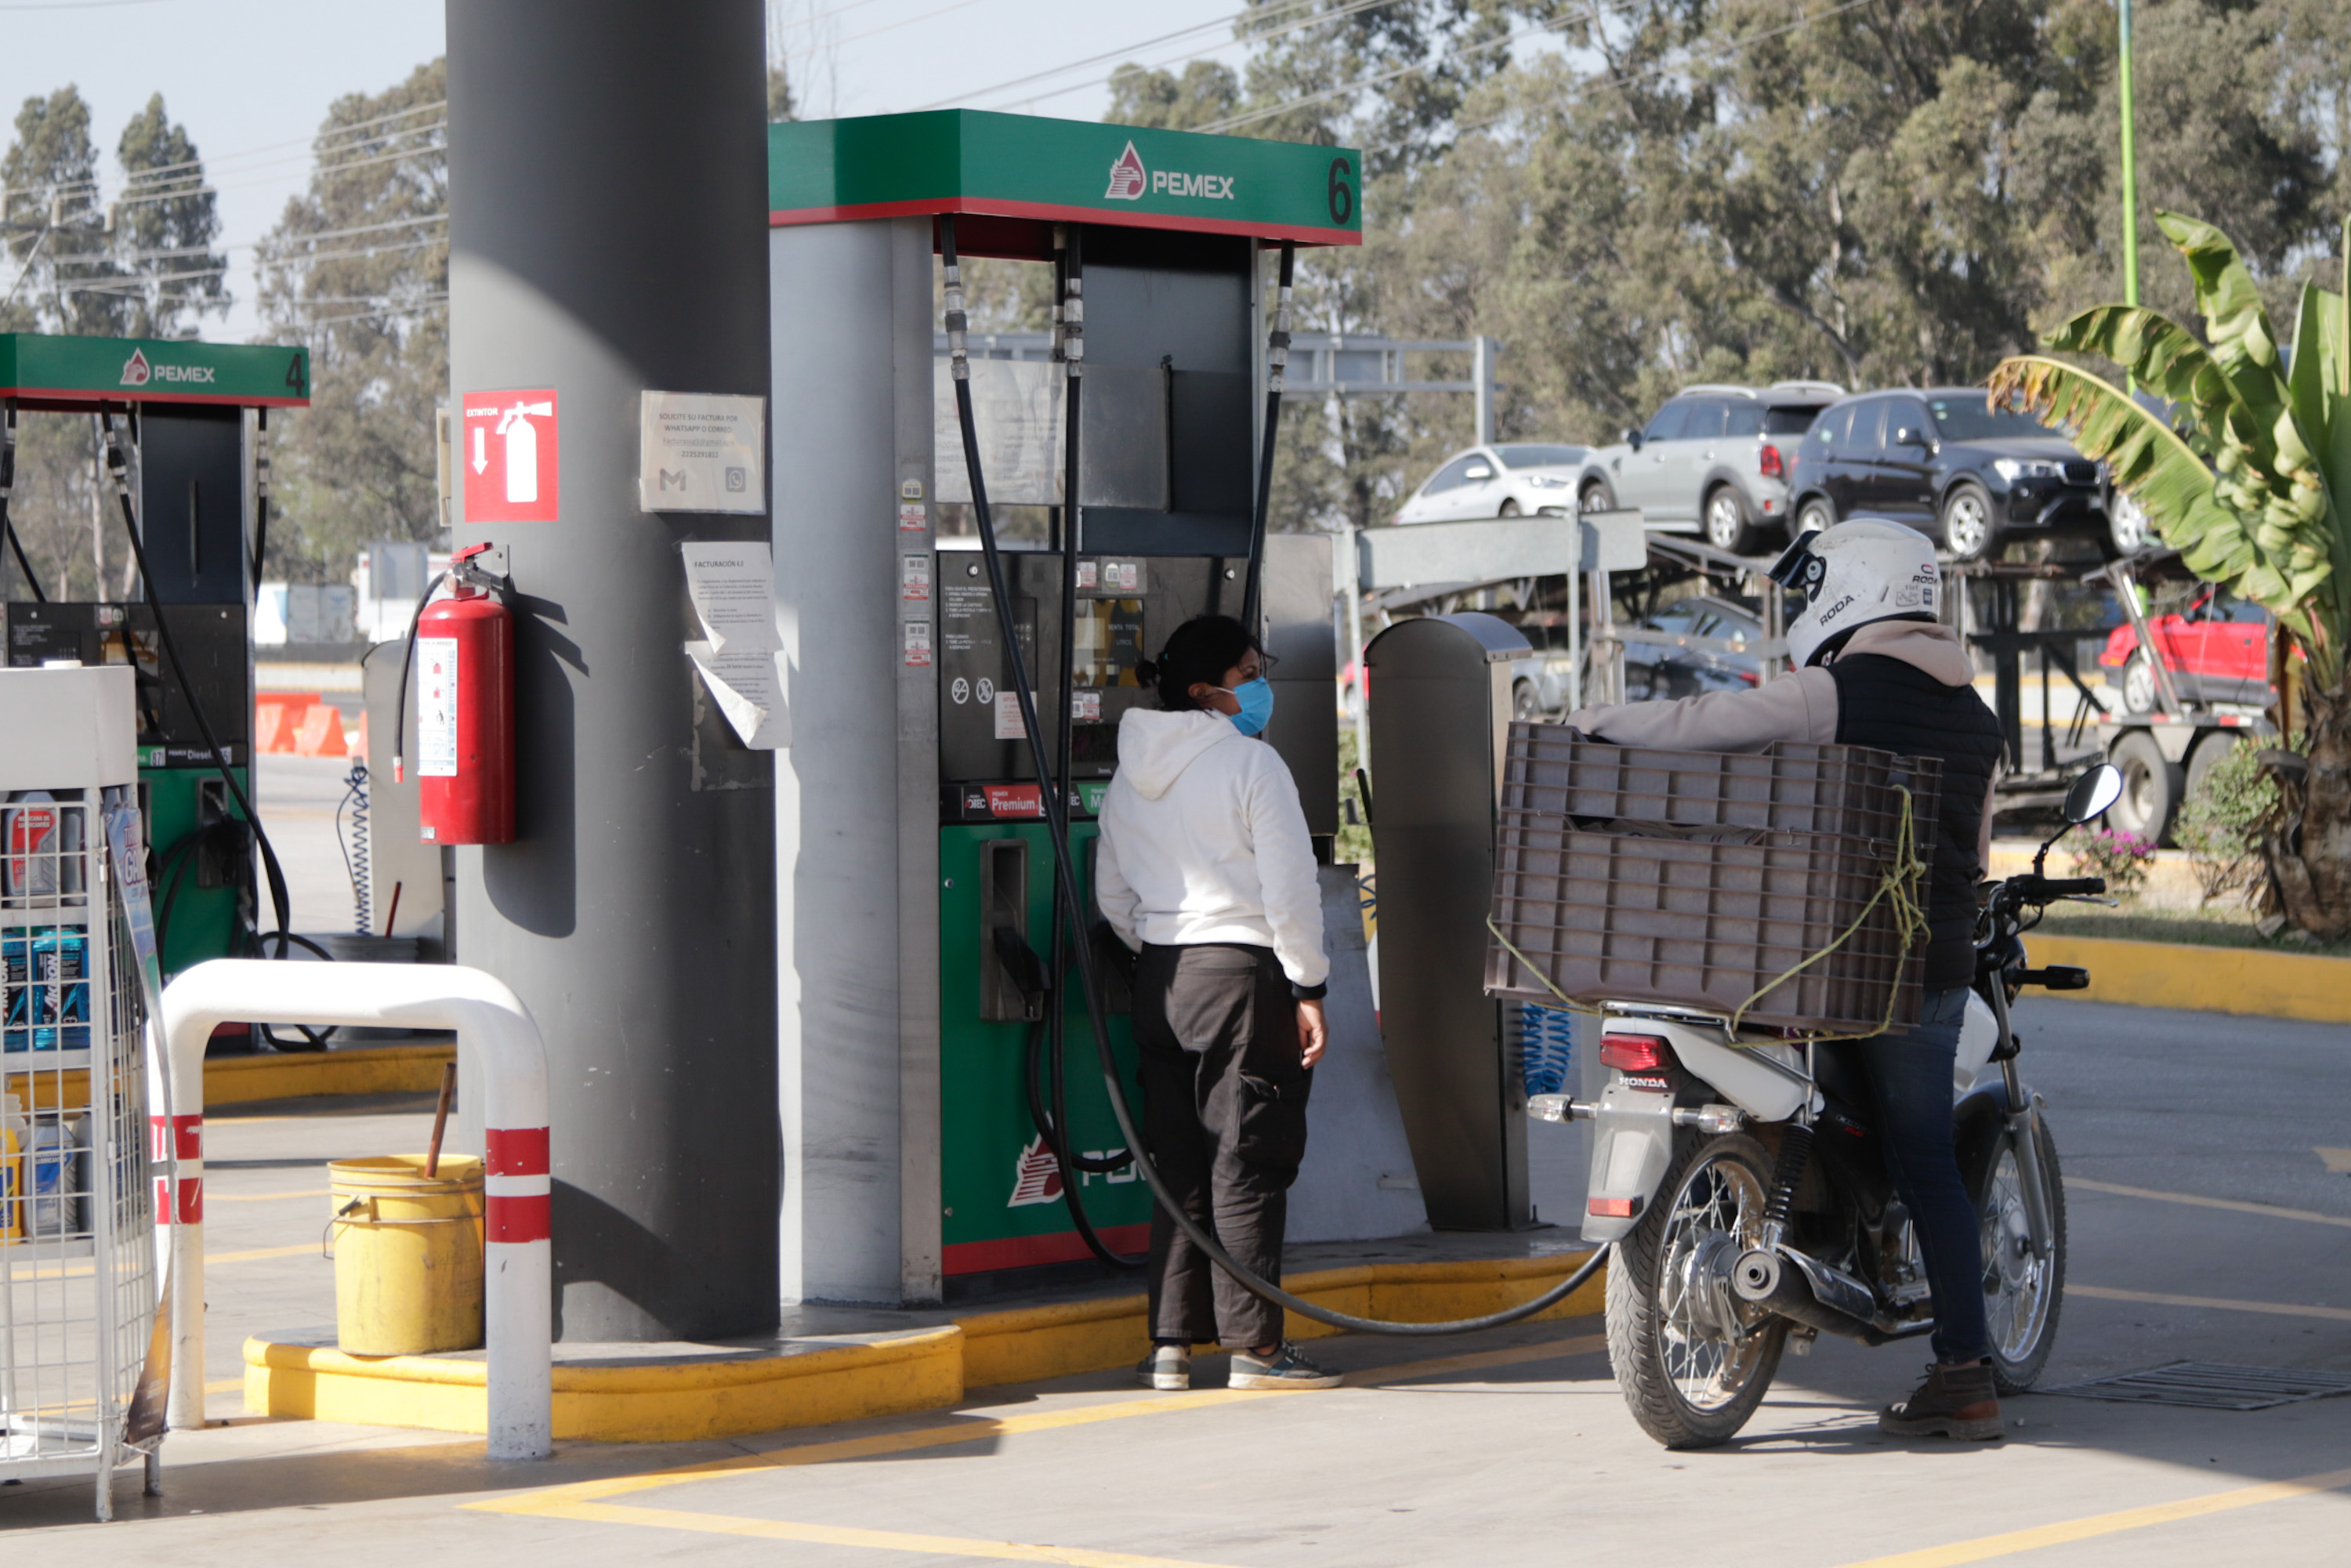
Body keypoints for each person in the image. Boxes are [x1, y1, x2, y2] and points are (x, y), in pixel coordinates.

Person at [1563, 520, 2007, 1441]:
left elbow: (1704, 726)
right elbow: (1970, 856)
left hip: (1816, 963)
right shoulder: (1978, 719)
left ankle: (1908, 1326)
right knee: (1927, 1162)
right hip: (1925, 969)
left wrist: (1587, 728)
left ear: (1853, 591)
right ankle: (1962, 1369)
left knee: (1860, 1117)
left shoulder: (1836, 692)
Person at [1095, 614, 1339, 1393]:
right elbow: (1290, 889)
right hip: (1242, 974)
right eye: (1249, 670)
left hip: (1160, 977)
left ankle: (1171, 1345)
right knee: (1248, 1158)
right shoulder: (1250, 767)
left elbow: (1113, 896)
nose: (1261, 682)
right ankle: (1256, 1350)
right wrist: (1308, 983)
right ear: (1207, 691)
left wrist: (1163, 946)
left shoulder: (1130, 772)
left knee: (1180, 1164)